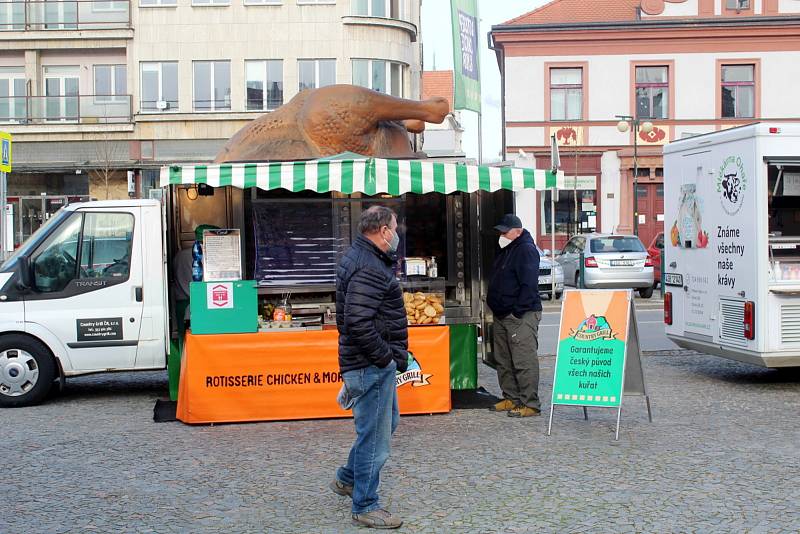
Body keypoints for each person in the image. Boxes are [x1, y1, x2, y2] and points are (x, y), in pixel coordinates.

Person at [331, 206, 408, 529]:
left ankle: (347, 478)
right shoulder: (370, 266)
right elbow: (358, 322)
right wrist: (386, 358)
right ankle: (365, 504)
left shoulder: (361, 257)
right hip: (370, 365)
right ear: (383, 231)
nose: (397, 234)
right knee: (375, 438)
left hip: (367, 363)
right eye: (394, 227)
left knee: (384, 424)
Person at [486, 213, 543, 418]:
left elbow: (529, 284)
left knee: (523, 360)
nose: (501, 234)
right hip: (503, 313)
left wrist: (517, 311)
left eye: (505, 231)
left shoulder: (526, 250)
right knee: (504, 359)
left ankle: (530, 403)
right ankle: (511, 397)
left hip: (519, 315)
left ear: (517, 231)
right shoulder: (508, 248)